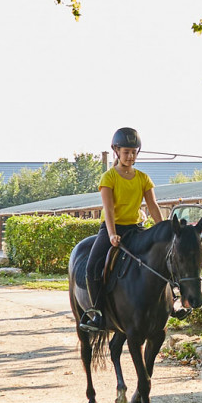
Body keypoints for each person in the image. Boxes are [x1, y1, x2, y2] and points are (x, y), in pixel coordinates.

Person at [79, 129, 164, 331]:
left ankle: (172, 302)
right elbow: (108, 210)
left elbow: (153, 206)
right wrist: (111, 234)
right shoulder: (108, 178)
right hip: (112, 229)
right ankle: (97, 314)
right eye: (126, 152)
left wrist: (163, 229)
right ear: (116, 151)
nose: (131, 156)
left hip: (135, 228)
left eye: (134, 152)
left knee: (161, 260)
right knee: (92, 268)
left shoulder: (143, 178)